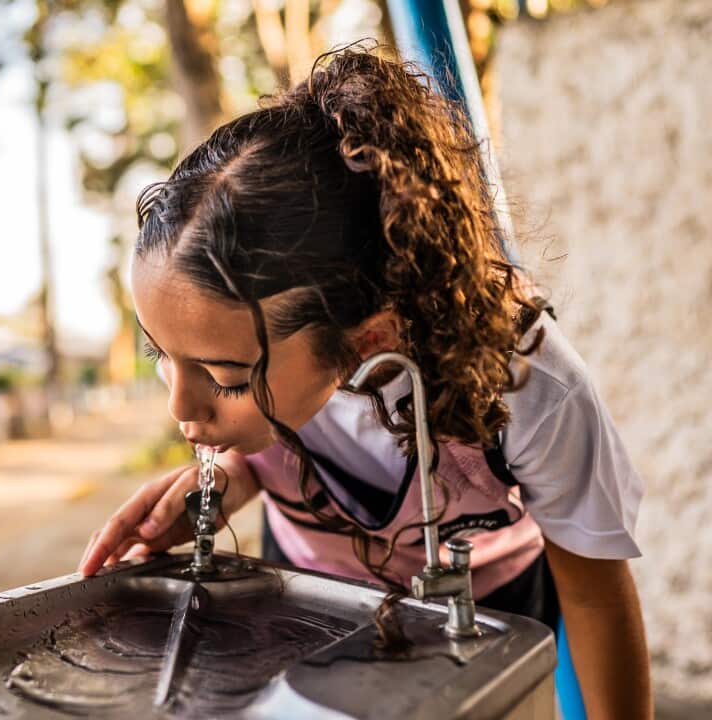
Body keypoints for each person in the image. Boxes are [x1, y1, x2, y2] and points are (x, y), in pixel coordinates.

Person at [76, 45, 651, 719]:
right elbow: (273, 434)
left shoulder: (532, 387)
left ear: (366, 341)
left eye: (227, 378)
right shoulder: (273, 342)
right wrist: (232, 476)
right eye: (164, 356)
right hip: (306, 590)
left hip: (486, 601)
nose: (181, 408)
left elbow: (593, 596)